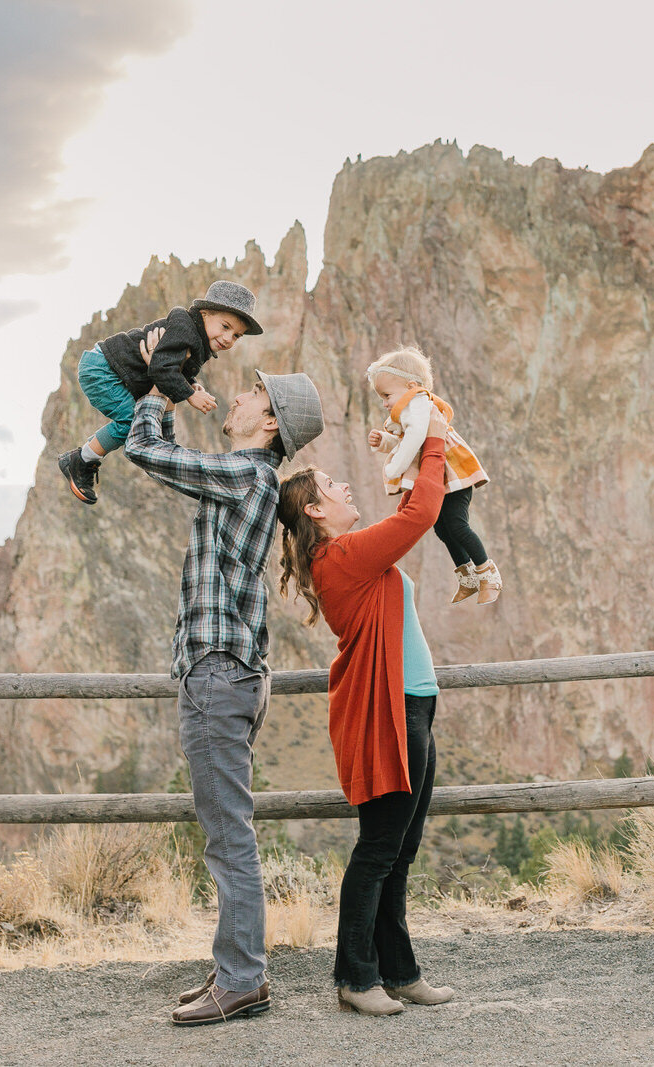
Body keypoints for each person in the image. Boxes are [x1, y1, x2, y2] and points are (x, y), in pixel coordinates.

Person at [125, 360, 325, 1027]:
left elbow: (147, 452)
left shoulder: (247, 472)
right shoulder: (250, 478)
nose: (237, 394)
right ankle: (236, 966)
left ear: (269, 421)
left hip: (218, 672)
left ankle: (243, 978)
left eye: (253, 393)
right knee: (225, 832)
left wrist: (155, 395)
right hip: (229, 671)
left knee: (228, 837)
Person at [273, 403, 457, 1016]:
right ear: (314, 511)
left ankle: (398, 971)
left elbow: (411, 507)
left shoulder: (348, 552)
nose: (344, 486)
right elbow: (422, 512)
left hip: (415, 705)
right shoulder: (342, 557)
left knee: (399, 849)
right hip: (390, 711)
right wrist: (433, 441)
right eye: (331, 485)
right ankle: (356, 978)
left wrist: (405, 446)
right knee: (379, 848)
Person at [57, 280, 263, 504]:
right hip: (103, 369)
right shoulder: (185, 330)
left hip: (110, 369)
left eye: (236, 336)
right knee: (131, 424)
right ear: (204, 314)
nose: (228, 339)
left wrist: (190, 383)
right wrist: (190, 395)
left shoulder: (198, 338)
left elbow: (171, 364)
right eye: (225, 327)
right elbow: (161, 367)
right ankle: (81, 459)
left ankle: (84, 457)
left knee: (134, 425)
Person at [364, 345, 500, 604]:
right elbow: (412, 443)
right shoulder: (411, 409)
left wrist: (394, 467)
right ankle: (467, 577)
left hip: (454, 476)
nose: (384, 403)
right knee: (442, 526)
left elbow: (414, 440)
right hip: (442, 477)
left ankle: (487, 573)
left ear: (411, 386)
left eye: (387, 395)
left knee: (457, 525)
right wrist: (385, 441)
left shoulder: (418, 403)